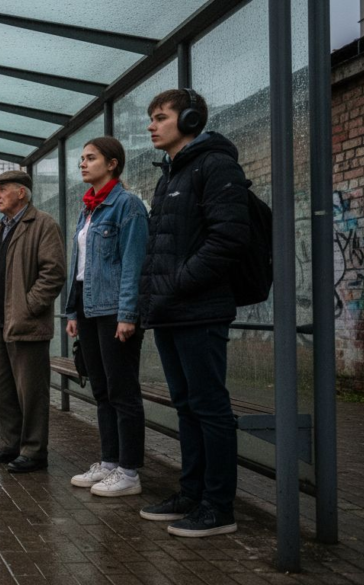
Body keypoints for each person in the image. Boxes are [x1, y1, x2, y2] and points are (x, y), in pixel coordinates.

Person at [138, 89, 250, 537]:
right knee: (186, 405)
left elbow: (229, 239)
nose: (151, 125)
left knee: (209, 407)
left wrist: (179, 283)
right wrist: (157, 297)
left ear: (188, 119)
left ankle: (219, 507)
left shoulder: (215, 165)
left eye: (160, 117)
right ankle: (192, 492)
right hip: (170, 310)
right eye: (150, 117)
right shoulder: (168, 175)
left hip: (199, 310)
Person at [65, 137, 149, 497]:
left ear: (112, 163)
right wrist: (72, 309)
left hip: (116, 309)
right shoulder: (89, 209)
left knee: (122, 390)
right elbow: (79, 267)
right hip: (88, 306)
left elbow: (134, 263)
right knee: (100, 389)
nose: (83, 164)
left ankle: (130, 472)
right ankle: (110, 462)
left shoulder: (126, 205)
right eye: (81, 158)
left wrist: (128, 314)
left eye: (91, 158)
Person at [0, 170, 66, 473]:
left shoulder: (43, 225)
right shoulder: (1, 227)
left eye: (2, 189)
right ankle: (9, 445)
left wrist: (29, 307)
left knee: (31, 393)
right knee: (3, 391)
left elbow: (53, 273)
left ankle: (34, 451)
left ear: (22, 193)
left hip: (26, 325)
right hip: (0, 324)